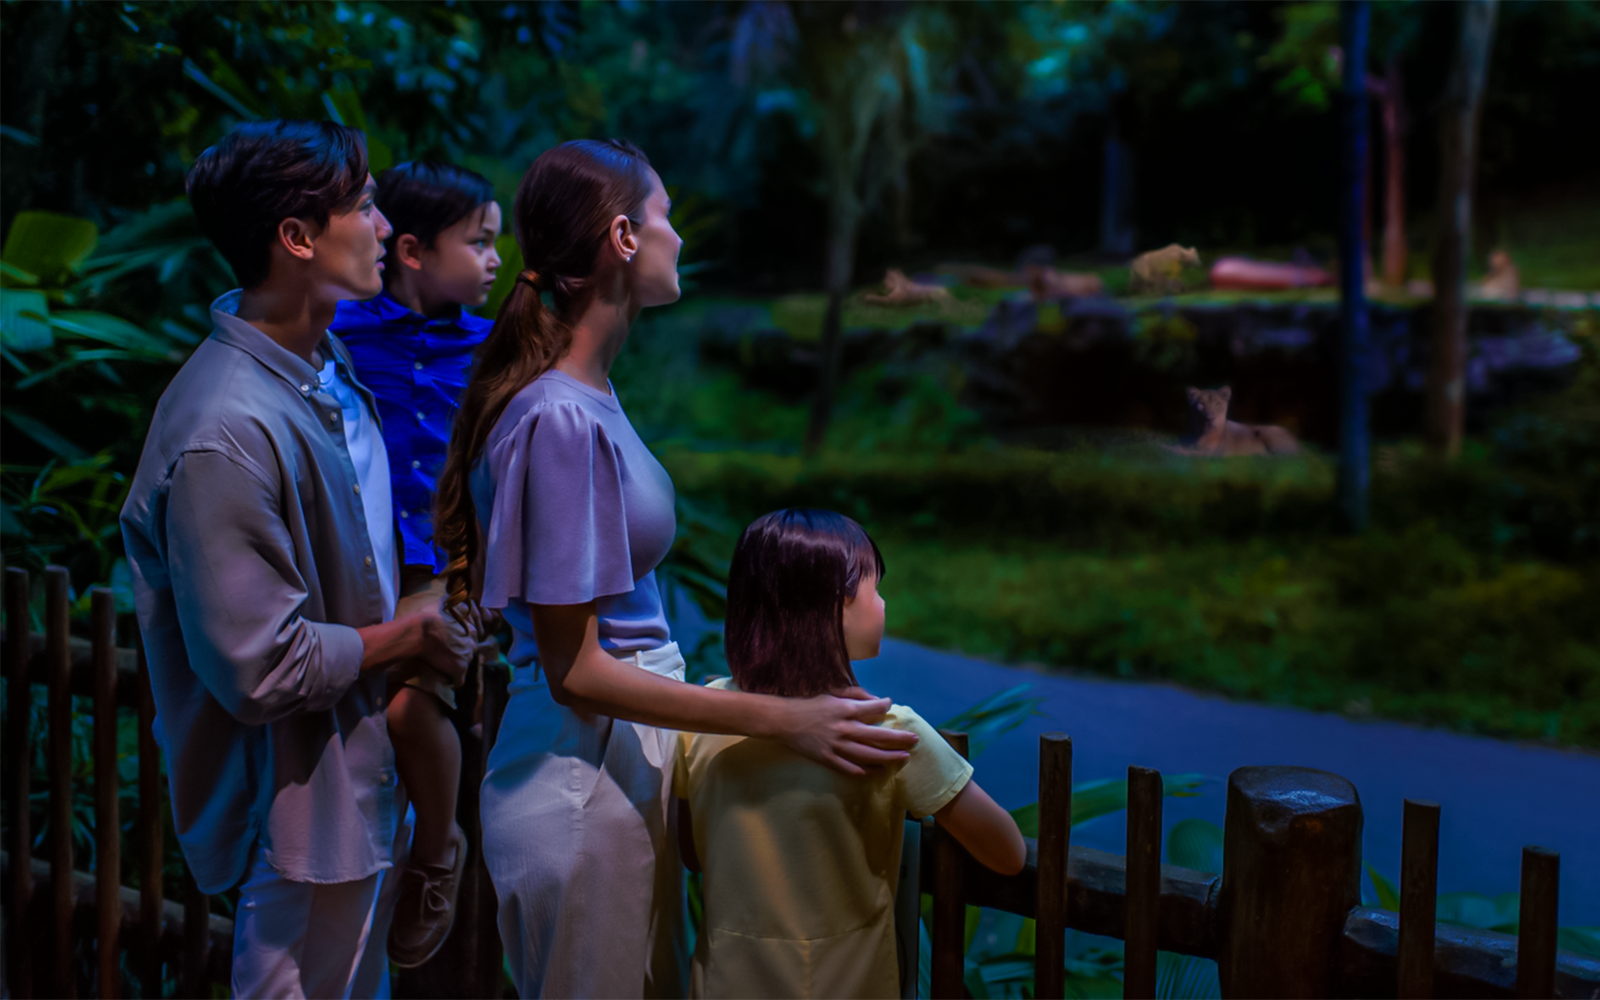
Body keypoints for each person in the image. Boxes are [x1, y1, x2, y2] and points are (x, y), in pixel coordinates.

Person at [432, 138, 922, 999]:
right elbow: (577, 670)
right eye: (663, 216)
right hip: (579, 783)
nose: (678, 238)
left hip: (609, 771)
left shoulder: (587, 397)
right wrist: (782, 717)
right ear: (623, 238)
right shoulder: (559, 419)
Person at [120, 119, 479, 1000]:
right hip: (295, 824)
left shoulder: (326, 363)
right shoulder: (224, 431)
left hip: (354, 796)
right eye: (362, 203)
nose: (383, 221)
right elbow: (261, 667)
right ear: (297, 238)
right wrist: (409, 638)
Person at [674, 509, 1027, 998]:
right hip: (849, 983)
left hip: (725, 982)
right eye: (874, 589)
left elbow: (692, 852)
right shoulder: (885, 732)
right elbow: (1007, 853)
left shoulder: (706, 721)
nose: (882, 603)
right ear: (835, 604)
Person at [331, 160, 501, 967]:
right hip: (357, 560)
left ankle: (436, 850)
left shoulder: (497, 349)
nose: (495, 260)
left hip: (446, 571)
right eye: (480, 241)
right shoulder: (340, 333)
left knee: (406, 708)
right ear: (411, 250)